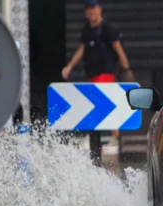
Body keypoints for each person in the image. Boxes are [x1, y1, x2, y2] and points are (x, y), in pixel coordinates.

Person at [61, 0, 134, 164]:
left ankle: (115, 137)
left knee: (105, 103)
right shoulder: (87, 30)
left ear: (99, 9)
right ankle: (94, 135)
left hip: (106, 72)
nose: (90, 12)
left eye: (93, 8)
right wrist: (69, 67)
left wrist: (126, 69)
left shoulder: (107, 28)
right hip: (92, 73)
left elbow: (118, 49)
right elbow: (82, 49)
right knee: (95, 103)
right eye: (87, 9)